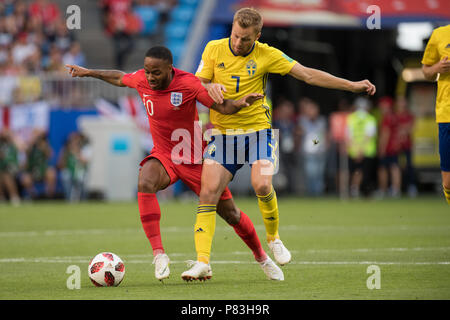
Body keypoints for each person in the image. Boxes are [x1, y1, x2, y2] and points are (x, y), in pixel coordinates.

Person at [66, 46, 284, 282]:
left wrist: (239, 103)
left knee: (230, 214)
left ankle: (262, 257)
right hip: (164, 155)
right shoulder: (142, 79)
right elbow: (119, 77)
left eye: (156, 73)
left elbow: (220, 106)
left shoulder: (188, 84)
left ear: (170, 69)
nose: (150, 77)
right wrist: (88, 72)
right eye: (148, 71)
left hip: (194, 157)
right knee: (145, 181)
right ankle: (159, 255)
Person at [193, 7, 376, 279]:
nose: (238, 43)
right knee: (208, 193)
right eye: (235, 36)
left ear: (257, 35)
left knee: (263, 183)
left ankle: (273, 238)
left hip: (258, 132)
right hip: (223, 134)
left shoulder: (268, 55)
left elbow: (308, 75)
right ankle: (202, 262)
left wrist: (351, 86)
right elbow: (196, 84)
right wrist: (208, 88)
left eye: (245, 39)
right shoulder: (213, 48)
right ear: (231, 28)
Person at [421, 24, 450, 204]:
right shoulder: (439, 34)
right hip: (447, 114)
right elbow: (426, 71)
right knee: (448, 182)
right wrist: (437, 68)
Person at [346, 97, 377, 198]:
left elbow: (348, 137)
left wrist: (356, 150)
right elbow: (368, 137)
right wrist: (361, 150)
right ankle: (360, 191)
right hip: (367, 151)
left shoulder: (351, 118)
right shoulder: (370, 118)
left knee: (356, 172)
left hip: (354, 151)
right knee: (364, 173)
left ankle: (354, 190)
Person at [376, 96, 402, 198]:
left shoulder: (387, 118)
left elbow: (385, 134)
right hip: (394, 147)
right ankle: (396, 190)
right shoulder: (394, 116)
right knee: (394, 167)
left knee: (383, 169)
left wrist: (381, 148)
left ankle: (383, 190)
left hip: (388, 147)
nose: (381, 108)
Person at [395, 96, 417, 198]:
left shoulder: (409, 115)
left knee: (409, 166)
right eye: (400, 102)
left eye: (403, 102)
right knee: (396, 167)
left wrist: (403, 130)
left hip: (407, 145)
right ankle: (397, 188)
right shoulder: (395, 116)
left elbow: (411, 127)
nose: (401, 104)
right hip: (396, 146)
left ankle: (411, 186)